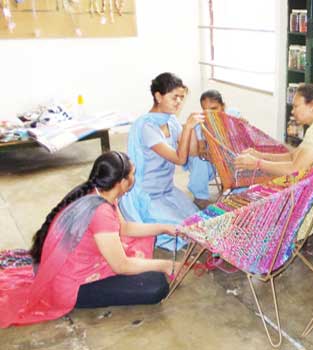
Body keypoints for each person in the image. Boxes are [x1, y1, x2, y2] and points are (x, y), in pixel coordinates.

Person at [0, 151, 178, 328]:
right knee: (156, 286)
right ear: (122, 182)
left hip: (74, 265)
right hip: (73, 285)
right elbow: (121, 266)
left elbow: (124, 228)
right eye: (132, 174)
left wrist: (164, 228)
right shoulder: (101, 212)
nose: (134, 178)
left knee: (146, 238)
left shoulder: (101, 192)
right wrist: (165, 264)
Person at [234, 83, 313, 242]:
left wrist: (257, 163)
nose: (292, 111)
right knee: (266, 199)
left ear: (312, 105)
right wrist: (260, 155)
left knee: (266, 206)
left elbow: (296, 168)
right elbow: (293, 156)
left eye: (296, 106)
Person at [119, 72, 203, 250]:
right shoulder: (147, 126)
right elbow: (180, 159)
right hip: (147, 195)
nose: (179, 102)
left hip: (166, 190)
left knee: (198, 220)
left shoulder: (171, 122)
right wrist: (187, 127)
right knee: (180, 230)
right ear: (158, 96)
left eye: (181, 98)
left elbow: (193, 151)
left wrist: (193, 129)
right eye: (174, 97)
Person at [185, 89, 241, 209]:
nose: (210, 113)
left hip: (226, 157)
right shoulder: (200, 123)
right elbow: (200, 150)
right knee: (200, 160)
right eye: (206, 110)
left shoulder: (233, 115)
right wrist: (204, 146)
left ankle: (231, 189)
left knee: (240, 159)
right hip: (208, 161)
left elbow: (240, 134)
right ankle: (200, 197)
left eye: (214, 108)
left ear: (223, 106)